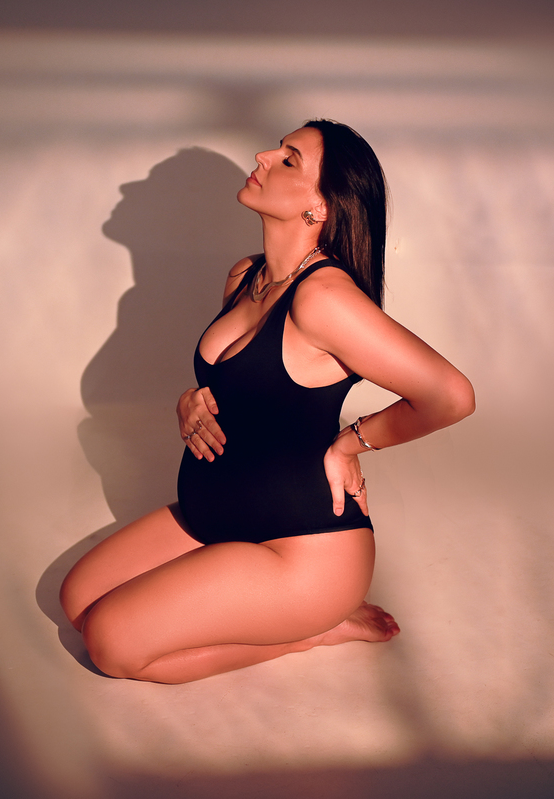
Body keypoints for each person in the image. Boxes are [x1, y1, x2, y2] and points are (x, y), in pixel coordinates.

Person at [60, 119, 474, 684]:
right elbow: (244, 386)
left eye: (289, 159)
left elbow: (450, 395)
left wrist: (350, 444)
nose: (262, 156)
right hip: (219, 519)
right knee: (77, 602)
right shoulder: (245, 276)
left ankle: (310, 631)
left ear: (321, 207)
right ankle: (273, 614)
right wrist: (189, 401)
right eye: (277, 149)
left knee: (110, 643)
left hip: (302, 554)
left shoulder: (323, 298)